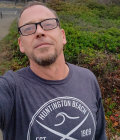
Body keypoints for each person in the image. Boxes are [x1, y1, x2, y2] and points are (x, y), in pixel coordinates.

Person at [0, 1, 107, 140]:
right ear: (21, 45)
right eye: (28, 28)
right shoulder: (11, 88)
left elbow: (99, 135)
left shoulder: (88, 78)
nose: (39, 32)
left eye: (48, 24)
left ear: (63, 36)